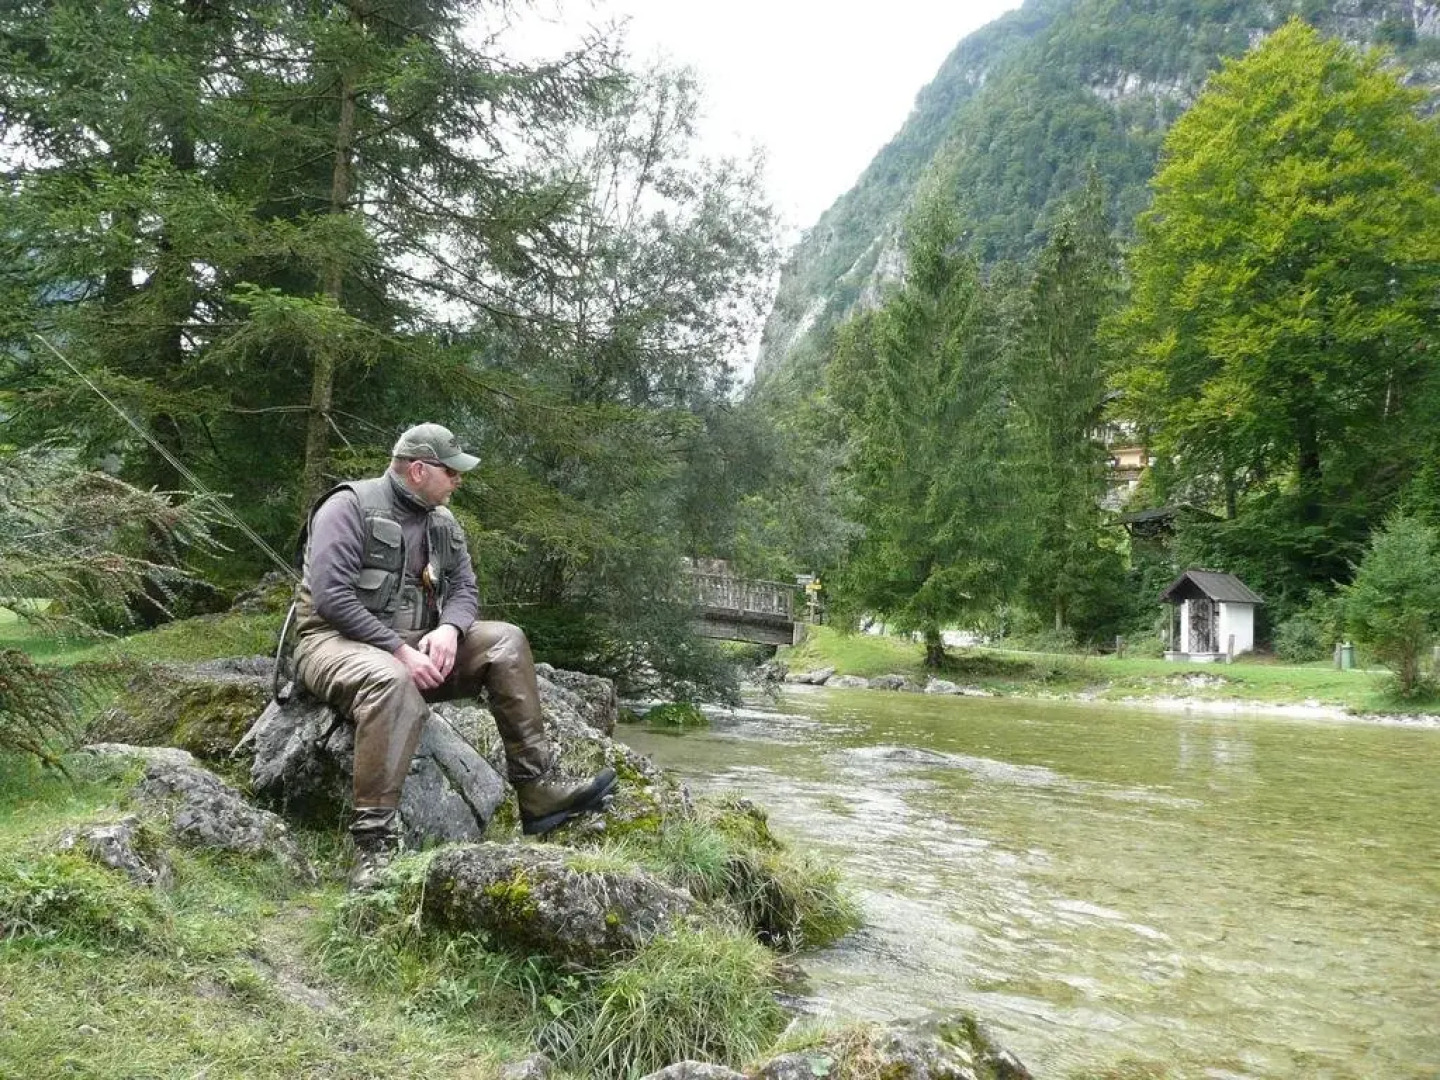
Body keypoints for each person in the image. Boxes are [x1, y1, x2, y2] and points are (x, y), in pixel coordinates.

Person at [293, 422, 616, 887]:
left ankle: (539, 792)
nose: (459, 480)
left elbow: (465, 589)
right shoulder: (348, 507)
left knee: (506, 640)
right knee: (391, 681)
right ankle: (371, 847)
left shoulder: (444, 522)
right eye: (452, 472)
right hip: (332, 643)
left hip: (416, 643)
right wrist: (399, 650)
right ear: (420, 470)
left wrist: (448, 628)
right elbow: (330, 598)